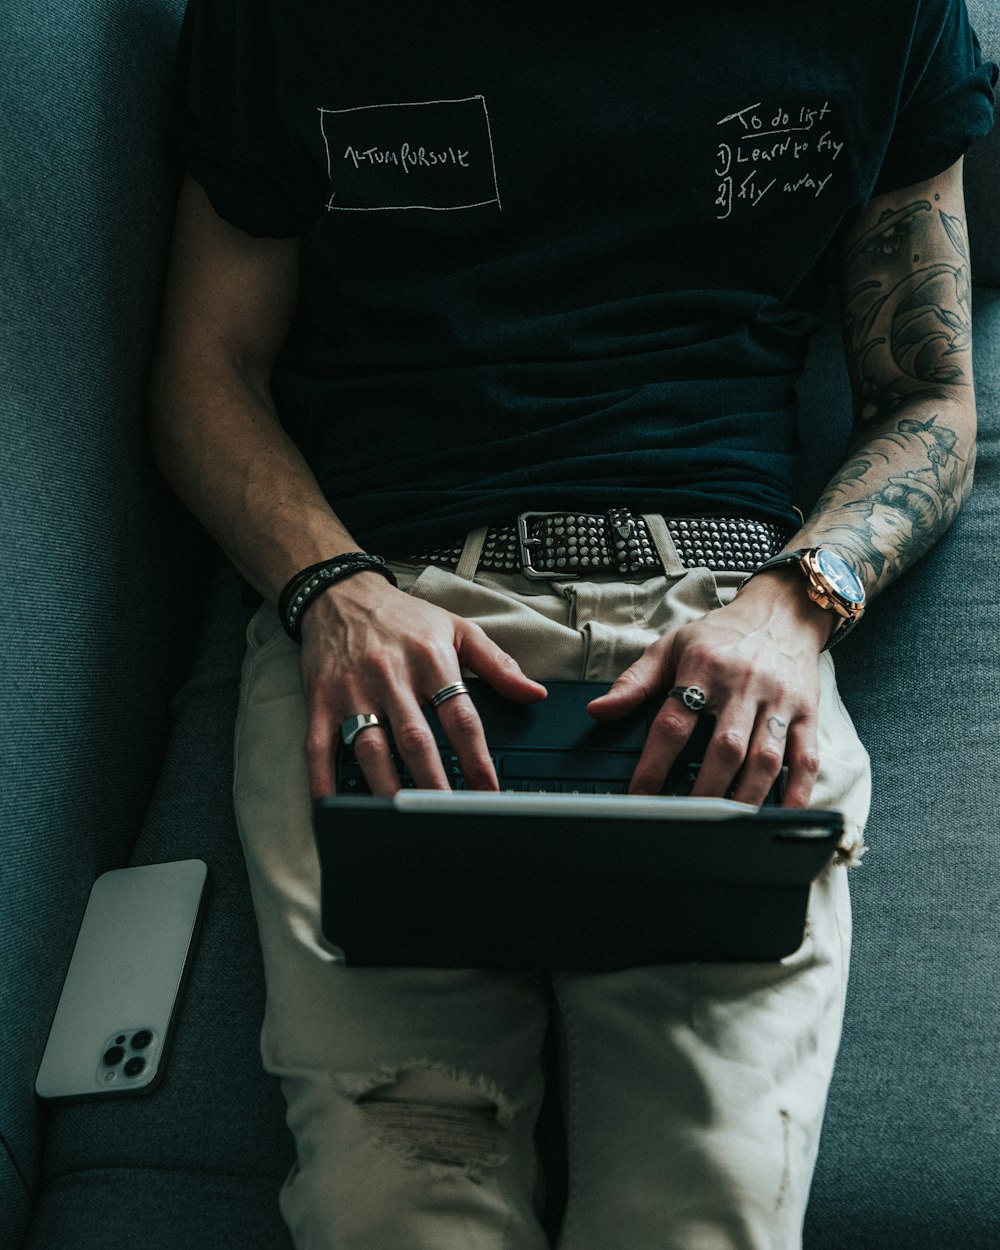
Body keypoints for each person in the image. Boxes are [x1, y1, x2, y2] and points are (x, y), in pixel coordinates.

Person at [148, 2, 996, 1246]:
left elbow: (929, 393)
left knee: (701, 1211)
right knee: (399, 1200)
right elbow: (206, 370)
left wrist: (794, 608)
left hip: (722, 619)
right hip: (396, 610)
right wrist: (333, 595)